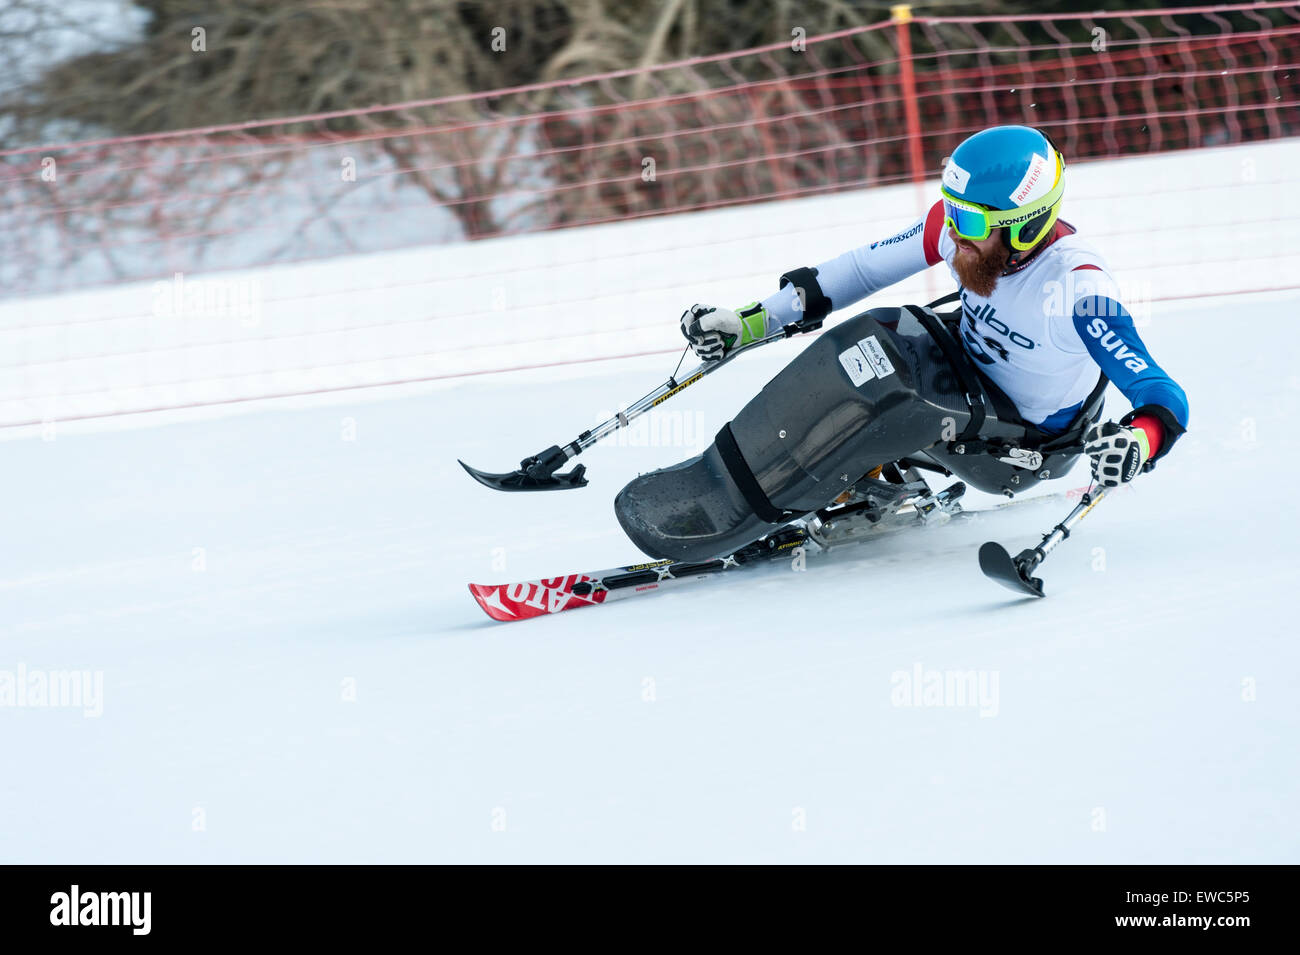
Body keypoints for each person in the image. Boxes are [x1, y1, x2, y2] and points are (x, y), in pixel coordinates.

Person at [679, 125, 1188, 490]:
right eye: (953, 212)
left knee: (885, 398)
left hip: (1020, 445)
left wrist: (1139, 441)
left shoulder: (1080, 291)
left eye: (969, 223)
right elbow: (858, 272)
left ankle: (790, 494)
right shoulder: (959, 229)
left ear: (1026, 227)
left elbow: (1160, 391)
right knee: (864, 341)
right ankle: (751, 474)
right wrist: (752, 322)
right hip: (965, 369)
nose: (953, 233)